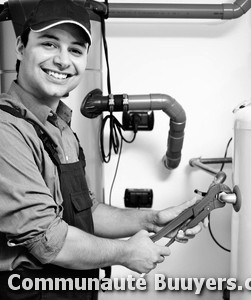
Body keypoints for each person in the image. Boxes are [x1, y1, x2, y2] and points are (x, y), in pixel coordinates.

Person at [0, 0, 205, 299]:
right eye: (49, 44)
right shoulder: (7, 129)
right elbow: (47, 239)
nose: (62, 60)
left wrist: (154, 218)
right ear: (20, 46)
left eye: (75, 50)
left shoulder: (63, 128)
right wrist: (124, 253)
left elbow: (88, 212)